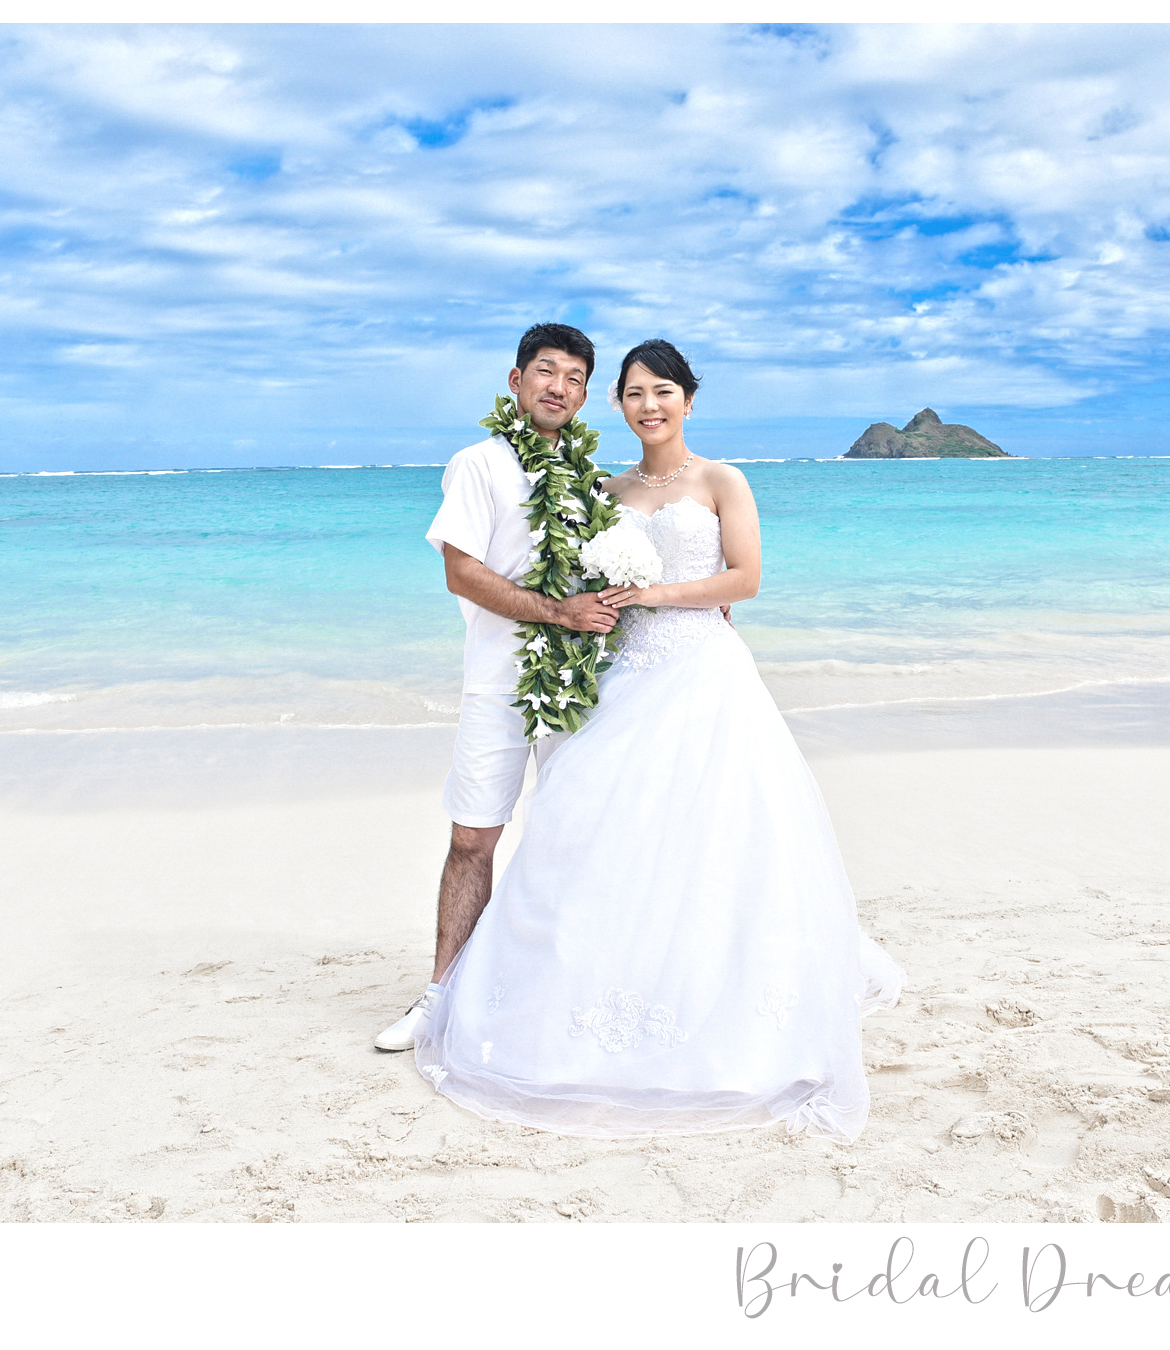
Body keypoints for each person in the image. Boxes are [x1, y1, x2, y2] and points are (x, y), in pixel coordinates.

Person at [411, 339, 903, 1141]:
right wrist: (594, 611)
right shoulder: (604, 489)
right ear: (618, 405)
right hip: (627, 679)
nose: (649, 406)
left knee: (717, 838)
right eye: (634, 393)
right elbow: (574, 582)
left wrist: (662, 594)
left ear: (688, 400)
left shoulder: (721, 481)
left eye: (663, 391)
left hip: (704, 677)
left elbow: (745, 578)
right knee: (599, 835)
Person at [373, 323, 620, 1052]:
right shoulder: (479, 464)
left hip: (579, 688)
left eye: (574, 378)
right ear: (515, 381)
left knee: (574, 837)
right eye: (545, 371)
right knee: (474, 837)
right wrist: (555, 611)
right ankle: (441, 996)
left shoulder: (586, 477)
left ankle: (555, 991)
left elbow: (618, 560)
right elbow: (462, 571)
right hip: (499, 683)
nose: (559, 387)